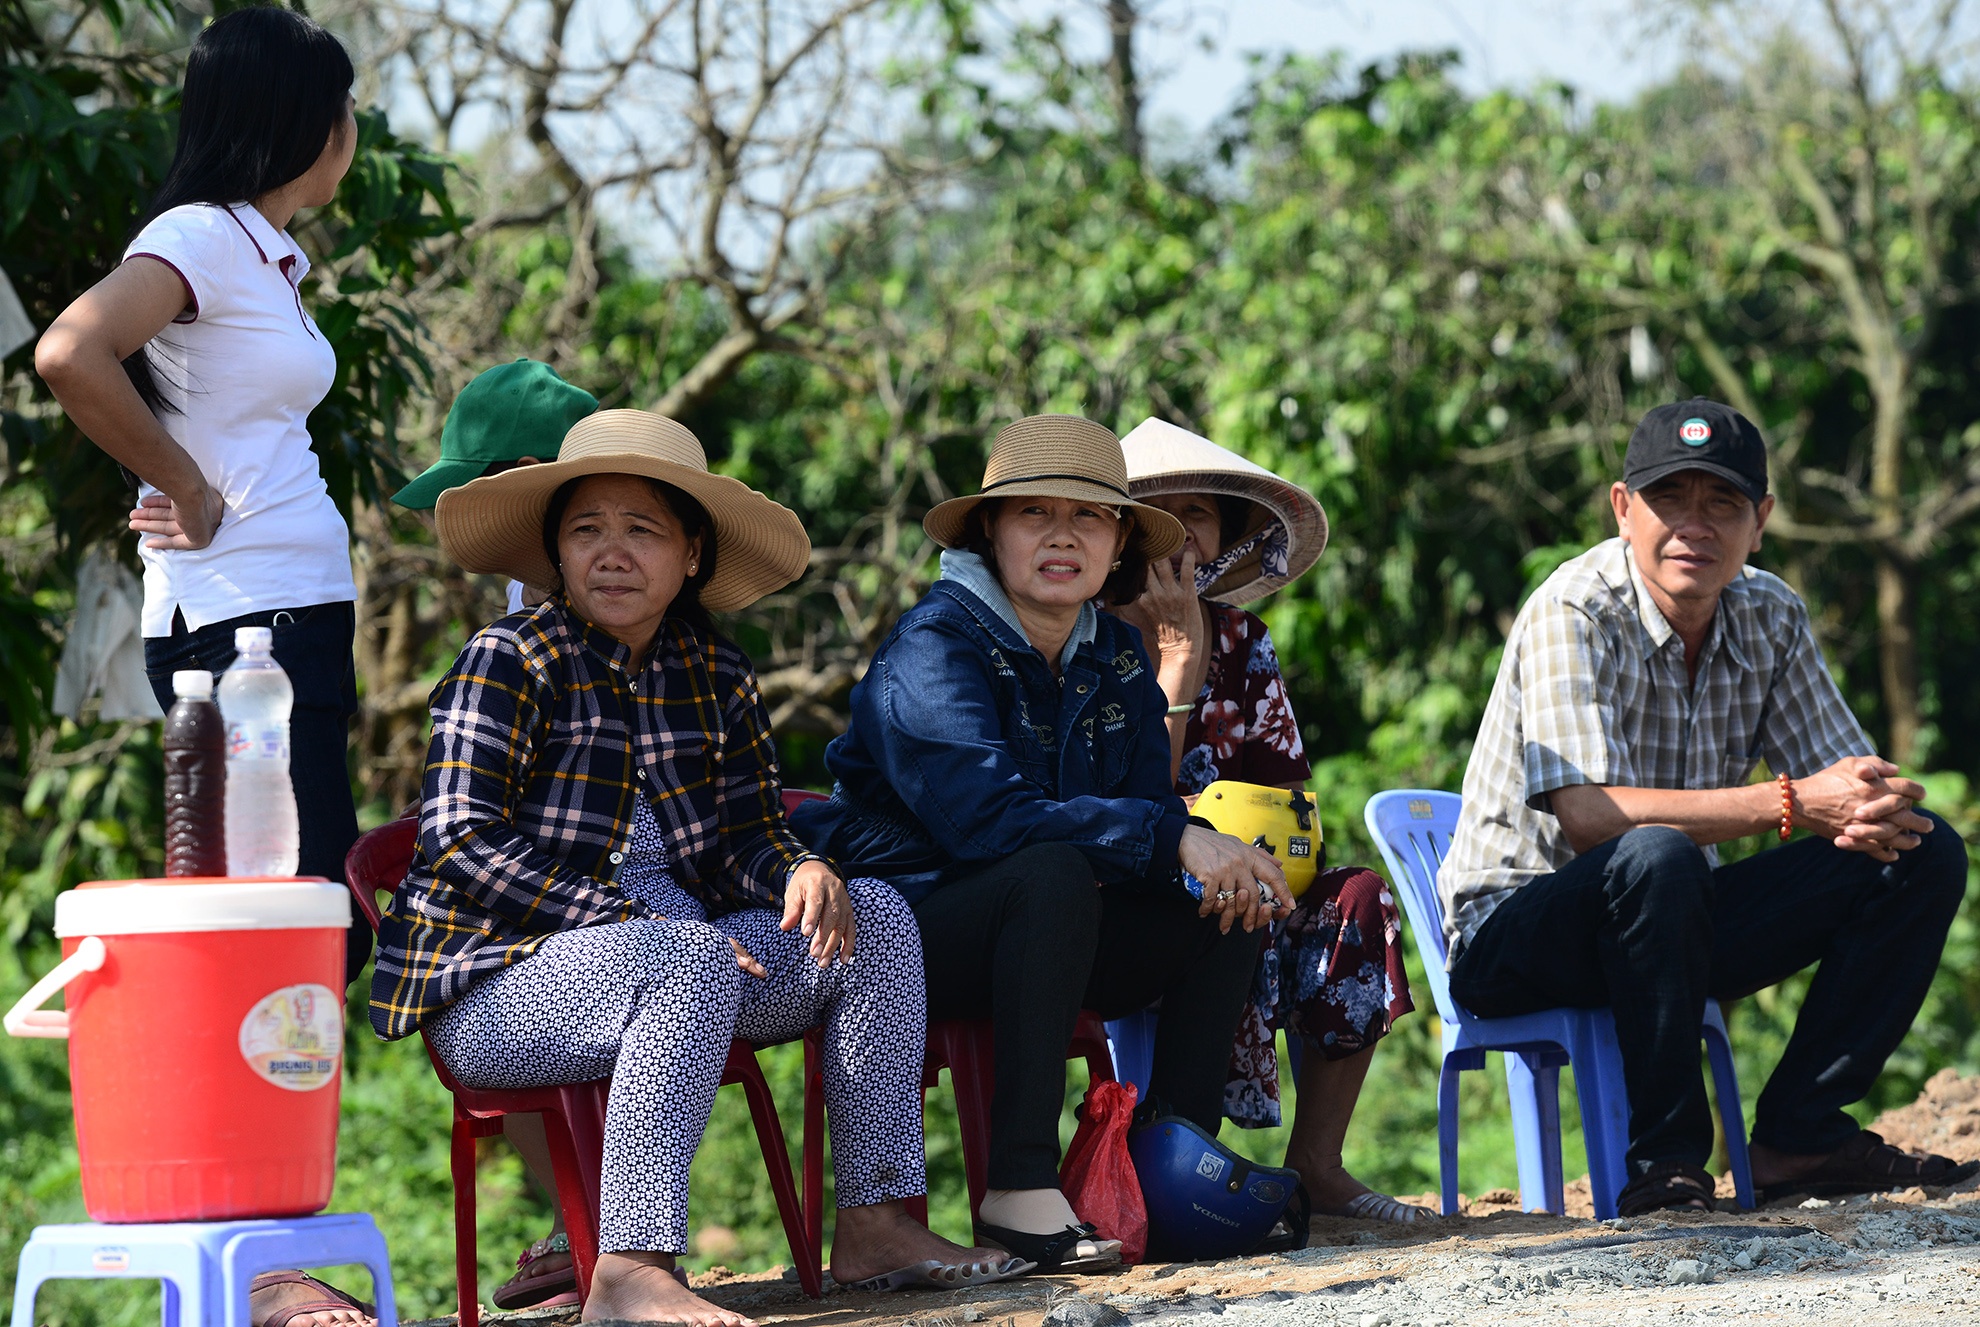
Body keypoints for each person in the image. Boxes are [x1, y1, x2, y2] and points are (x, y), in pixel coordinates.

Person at [371, 410, 1022, 1326]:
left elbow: (744, 836)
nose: (611, 552)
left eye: (643, 531)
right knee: (689, 959)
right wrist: (628, 924)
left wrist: (798, 868)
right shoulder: (507, 660)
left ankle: (876, 1221)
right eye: (586, 529)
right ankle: (630, 1268)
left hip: (687, 964)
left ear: (691, 558)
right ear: (555, 553)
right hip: (496, 983)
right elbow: (457, 841)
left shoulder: (714, 668)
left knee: (872, 914)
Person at [36, 12, 376, 1327]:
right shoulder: (189, 238)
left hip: (288, 625)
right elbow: (72, 347)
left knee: (297, 926)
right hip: (247, 638)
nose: (353, 138)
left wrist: (193, 472)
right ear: (307, 120)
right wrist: (175, 479)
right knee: (268, 932)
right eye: (344, 112)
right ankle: (267, 1264)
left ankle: (266, 1236)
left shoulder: (259, 247)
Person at [1438, 397, 1976, 1216]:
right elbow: (1588, 817)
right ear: (1625, 510)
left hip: (1672, 928)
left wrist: (1878, 807)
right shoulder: (1573, 608)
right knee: (1656, 852)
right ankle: (1667, 1163)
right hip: (1517, 932)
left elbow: (1850, 781)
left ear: (1759, 521)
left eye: (1721, 502)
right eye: (1669, 499)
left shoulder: (1771, 614)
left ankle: (1802, 1134)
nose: (1695, 525)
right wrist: (1793, 801)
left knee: (1921, 852)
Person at [792, 415, 1291, 1273]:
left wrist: (1207, 851)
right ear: (992, 529)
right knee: (1054, 869)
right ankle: (1018, 1187)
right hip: (906, 932)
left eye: (1090, 516)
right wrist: (1172, 835)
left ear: (1119, 538)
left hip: (1050, 932)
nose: (1063, 535)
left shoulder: (1119, 657)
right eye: (1035, 514)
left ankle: (1170, 1173)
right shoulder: (933, 647)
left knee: (1224, 897)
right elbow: (989, 824)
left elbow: (1141, 815)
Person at [1110, 418, 1427, 1225]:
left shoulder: (1246, 638)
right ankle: (1172, 1161)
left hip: (1250, 876)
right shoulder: (1088, 640)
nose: (1182, 532)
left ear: (1225, 535)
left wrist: (1258, 850)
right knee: (1208, 887)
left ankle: (1318, 1162)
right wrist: (1176, 655)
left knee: (1358, 897)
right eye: (1160, 513)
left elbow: (1290, 793)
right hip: (1138, 882)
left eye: (1201, 513)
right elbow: (1137, 795)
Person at [389, 356, 599, 1311]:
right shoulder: (513, 622)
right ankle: (581, 1217)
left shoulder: (626, 600)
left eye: (470, 491)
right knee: (491, 961)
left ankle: (604, 1226)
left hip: (629, 879)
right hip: (539, 888)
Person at [392, 357, 596, 619]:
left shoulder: (596, 596)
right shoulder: (521, 585)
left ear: (525, 473)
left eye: (470, 488)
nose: (462, 509)